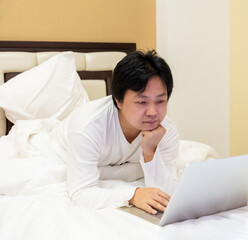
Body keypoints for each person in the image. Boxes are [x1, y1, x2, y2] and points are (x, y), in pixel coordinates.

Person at [52, 50, 180, 215]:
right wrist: (132, 195)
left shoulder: (166, 130)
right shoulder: (88, 125)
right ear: (118, 100)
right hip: (59, 151)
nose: (153, 112)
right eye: (142, 101)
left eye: (160, 100)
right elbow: (81, 193)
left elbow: (166, 195)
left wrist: (150, 152)